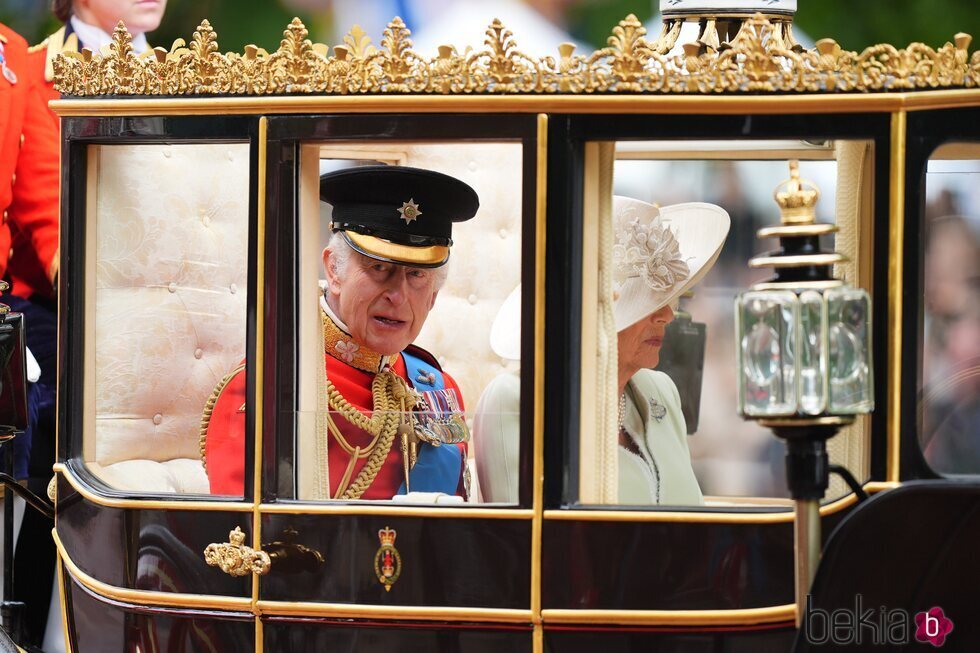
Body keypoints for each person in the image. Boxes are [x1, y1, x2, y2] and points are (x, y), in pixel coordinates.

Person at [203, 165, 477, 501]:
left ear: (433, 294)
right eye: (379, 268)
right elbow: (248, 540)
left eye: (417, 276)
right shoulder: (265, 390)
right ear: (334, 270)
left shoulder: (439, 389)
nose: (398, 295)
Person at [474, 196, 728, 505]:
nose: (667, 316)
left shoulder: (661, 392)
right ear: (591, 311)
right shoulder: (518, 399)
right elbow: (520, 543)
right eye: (645, 303)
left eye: (667, 299)